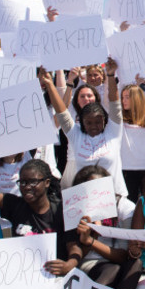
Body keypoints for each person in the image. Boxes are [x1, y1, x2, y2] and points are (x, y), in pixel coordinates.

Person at [0, 143, 82, 276]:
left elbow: (74, 246)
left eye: (33, 182)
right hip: (23, 276)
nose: (27, 187)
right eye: (22, 182)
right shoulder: (15, 204)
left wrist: (68, 265)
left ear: (47, 182)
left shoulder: (61, 210)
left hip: (53, 276)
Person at [39, 60, 128, 197]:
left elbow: (114, 104)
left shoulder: (113, 132)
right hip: (86, 200)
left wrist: (110, 75)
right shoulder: (76, 135)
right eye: (88, 122)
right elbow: (62, 112)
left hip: (114, 198)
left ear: (104, 120)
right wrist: (50, 84)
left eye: (97, 122)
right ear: (81, 122)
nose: (93, 126)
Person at [74, 165, 142, 289]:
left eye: (101, 187)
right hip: (89, 265)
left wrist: (92, 241)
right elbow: (75, 256)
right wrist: (91, 236)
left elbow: (124, 256)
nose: (96, 193)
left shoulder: (124, 208)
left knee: (135, 264)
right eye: (90, 189)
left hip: (117, 263)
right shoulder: (74, 209)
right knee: (112, 269)